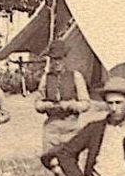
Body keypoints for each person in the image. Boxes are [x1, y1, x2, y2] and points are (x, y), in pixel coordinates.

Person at [36, 37, 92, 165]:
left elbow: (86, 104)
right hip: (52, 127)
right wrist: (46, 105)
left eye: (59, 58)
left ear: (65, 58)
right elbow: (37, 103)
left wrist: (71, 105)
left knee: (70, 163)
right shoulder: (46, 78)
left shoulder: (76, 76)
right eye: (54, 59)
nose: (57, 63)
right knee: (51, 162)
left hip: (71, 126)